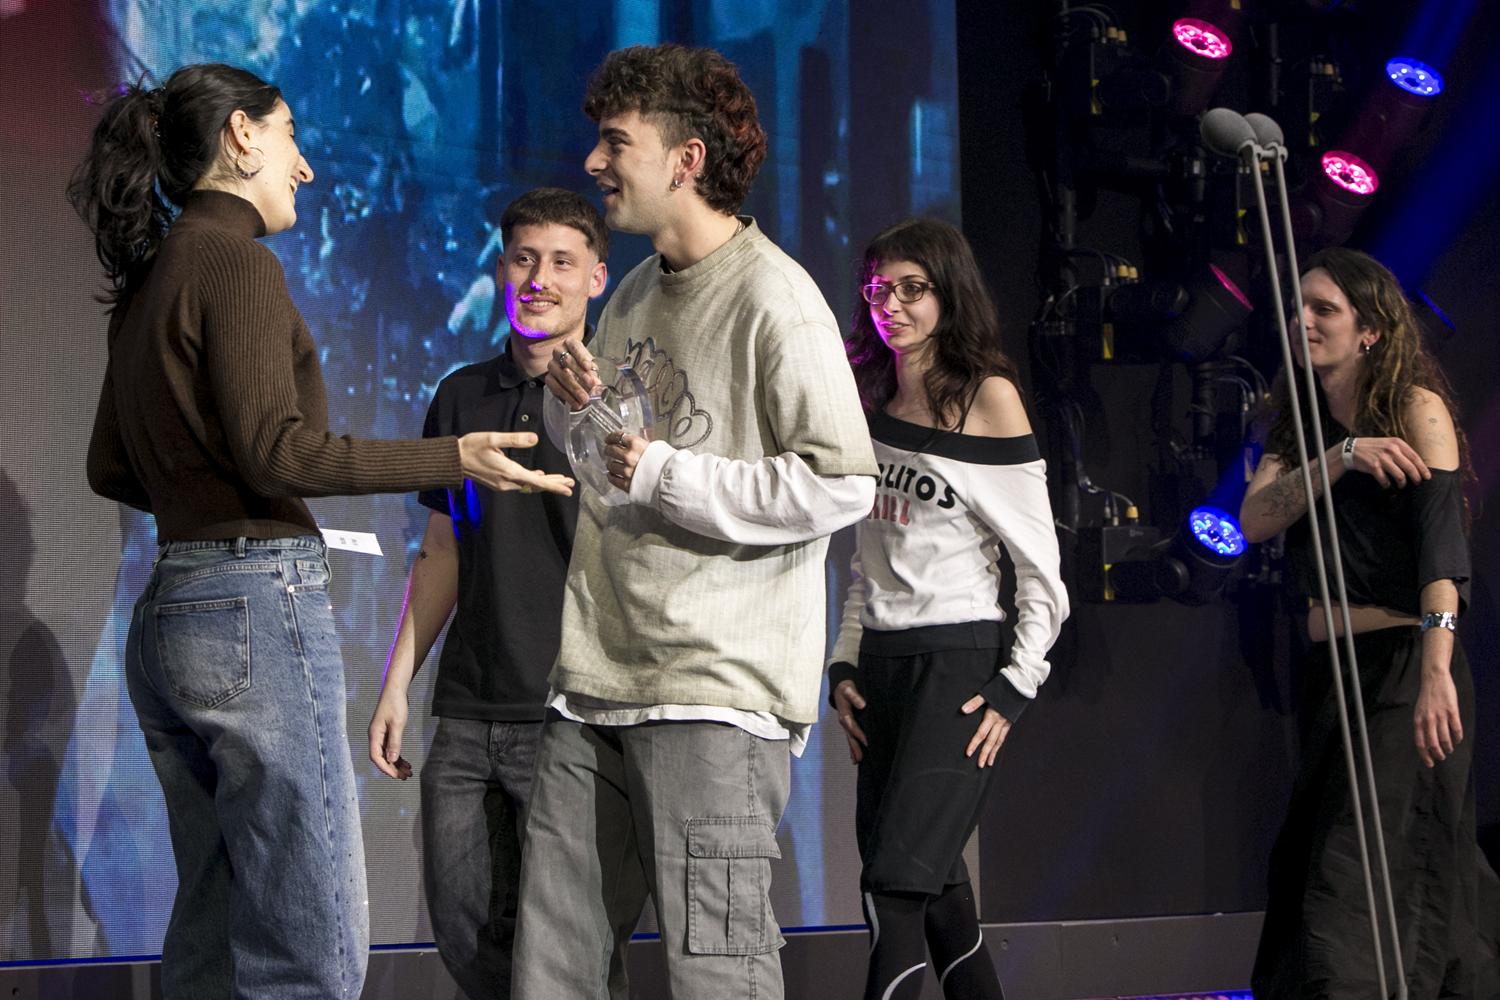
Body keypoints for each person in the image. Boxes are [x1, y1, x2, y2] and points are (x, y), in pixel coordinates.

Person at [71, 63, 572, 999]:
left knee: (215, 933)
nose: (303, 165)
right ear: (242, 137)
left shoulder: (151, 277)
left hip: (171, 609)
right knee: (312, 948)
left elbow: (110, 467)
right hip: (251, 605)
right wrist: (451, 457)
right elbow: (278, 453)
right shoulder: (235, 263)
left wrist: (196, 485)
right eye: (291, 135)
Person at [516, 43, 879, 998]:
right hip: (596, 682)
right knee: (551, 975)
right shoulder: (634, 291)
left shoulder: (776, 299)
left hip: (713, 696)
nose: (593, 163)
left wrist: (666, 473)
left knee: (717, 976)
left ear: (686, 160)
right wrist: (571, 405)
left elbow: (842, 482)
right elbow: (612, 467)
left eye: (615, 143)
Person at [367, 187, 624, 1000]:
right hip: (468, 710)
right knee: (468, 935)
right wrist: (397, 684)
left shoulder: (621, 401)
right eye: (523, 259)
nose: (538, 279)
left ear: (596, 278)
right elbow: (442, 548)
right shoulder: (461, 395)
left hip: (570, 713)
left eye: (561, 262)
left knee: (569, 955)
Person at [1241, 247, 1499, 996]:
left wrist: (1437, 670)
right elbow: (1255, 519)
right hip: (1330, 676)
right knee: (1376, 868)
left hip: (1405, 668)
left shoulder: (1418, 408)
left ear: (1370, 331)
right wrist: (1342, 456)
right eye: (1298, 307)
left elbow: (1443, 554)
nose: (1303, 320)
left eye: (1324, 309)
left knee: (1351, 875)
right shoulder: (1301, 423)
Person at [825, 218, 1068, 1000]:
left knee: (894, 891)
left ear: (948, 294)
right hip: (883, 668)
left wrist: (1018, 682)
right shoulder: (867, 400)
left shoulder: (987, 398)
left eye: (912, 289)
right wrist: (843, 662)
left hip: (957, 666)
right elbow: (867, 560)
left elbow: (1040, 568)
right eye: (878, 290)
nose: (890, 306)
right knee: (939, 901)